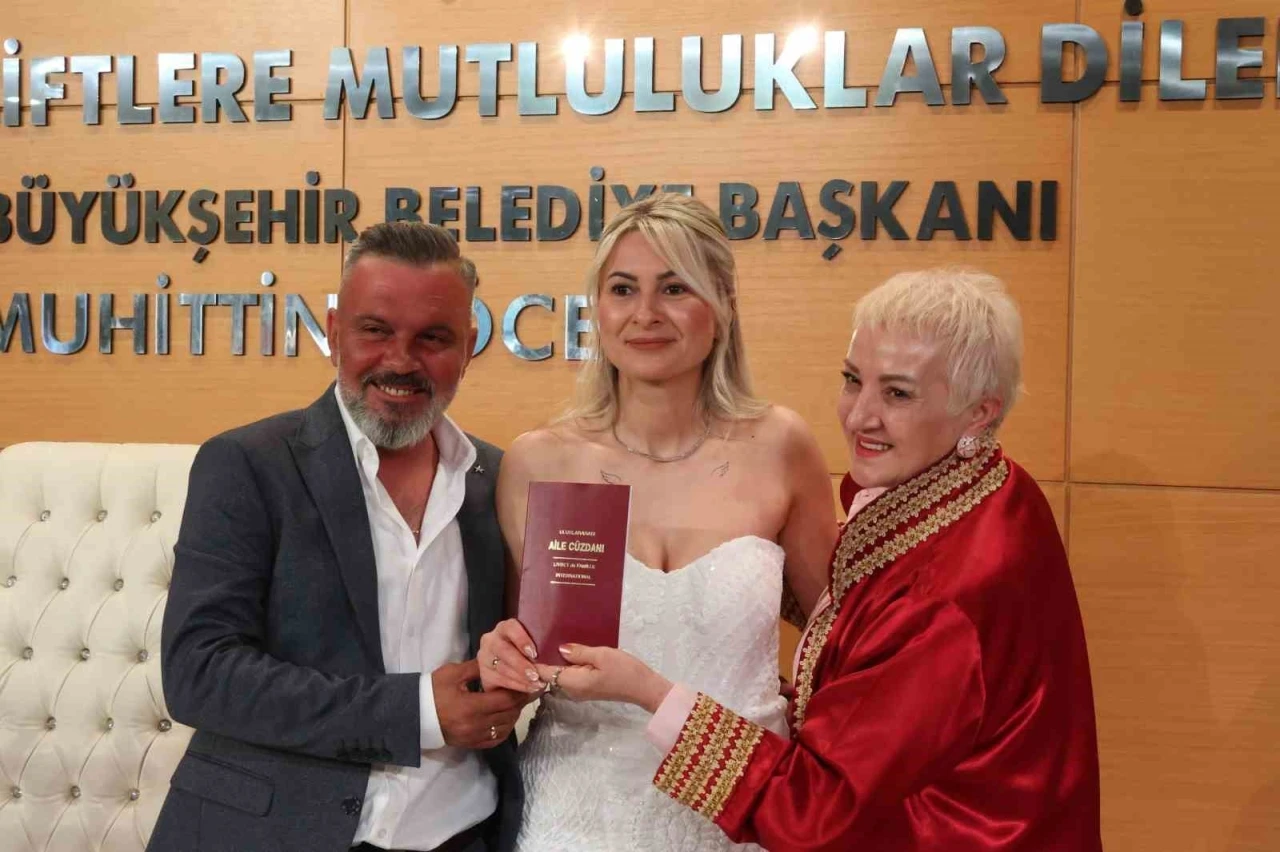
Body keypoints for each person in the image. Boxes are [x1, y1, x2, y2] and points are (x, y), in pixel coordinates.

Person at [538, 268, 1104, 851]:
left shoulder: (944, 593)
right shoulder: (986, 486)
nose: (859, 417)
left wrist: (651, 695)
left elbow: (813, 812)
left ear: (979, 413)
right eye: (853, 380)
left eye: (898, 394)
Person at [477, 192, 838, 851]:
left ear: (722, 305)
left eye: (674, 288)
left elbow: (836, 647)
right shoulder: (539, 461)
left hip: (743, 811)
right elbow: (518, 664)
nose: (645, 314)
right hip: (572, 816)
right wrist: (503, 660)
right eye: (623, 289)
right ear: (597, 307)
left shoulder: (781, 446)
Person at [151, 222, 527, 852]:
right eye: (375, 330)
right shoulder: (247, 464)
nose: (400, 361)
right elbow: (199, 672)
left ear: (468, 347)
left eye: (433, 338)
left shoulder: (500, 479)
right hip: (271, 835)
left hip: (462, 833)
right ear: (333, 332)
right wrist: (418, 714)